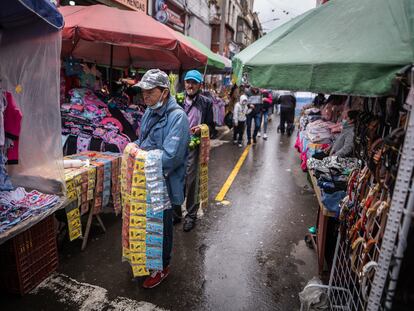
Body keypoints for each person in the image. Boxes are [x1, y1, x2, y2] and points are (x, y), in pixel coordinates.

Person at [134, 69, 189, 288]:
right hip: (147, 178)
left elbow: (171, 157)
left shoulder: (178, 117)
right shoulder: (149, 110)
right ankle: (148, 261)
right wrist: (135, 150)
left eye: (150, 92)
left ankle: (162, 267)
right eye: (143, 92)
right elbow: (142, 140)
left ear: (164, 93)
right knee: (147, 224)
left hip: (164, 184)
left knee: (163, 227)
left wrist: (139, 157)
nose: (145, 97)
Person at [173, 69, 214, 232]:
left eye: (194, 82)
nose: (190, 85)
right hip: (176, 146)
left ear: (200, 85)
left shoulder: (206, 102)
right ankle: (176, 214)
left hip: (194, 147)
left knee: (191, 182)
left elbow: (212, 127)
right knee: (176, 179)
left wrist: (202, 128)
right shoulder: (177, 100)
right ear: (184, 83)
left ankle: (190, 216)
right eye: (188, 82)